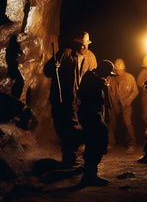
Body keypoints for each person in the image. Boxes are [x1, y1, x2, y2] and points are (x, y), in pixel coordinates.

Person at [43, 31, 97, 167]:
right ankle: (69, 157)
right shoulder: (65, 53)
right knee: (66, 127)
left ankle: (75, 155)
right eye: (81, 45)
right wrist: (54, 66)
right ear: (76, 44)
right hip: (65, 98)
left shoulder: (90, 57)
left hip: (81, 99)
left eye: (86, 45)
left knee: (81, 127)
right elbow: (47, 71)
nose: (84, 47)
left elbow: (94, 76)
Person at [76, 60, 115, 187]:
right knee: (94, 143)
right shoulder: (91, 78)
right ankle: (90, 176)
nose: (108, 76)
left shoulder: (98, 79)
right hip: (90, 115)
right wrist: (100, 85)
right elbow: (82, 94)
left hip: (95, 115)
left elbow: (106, 103)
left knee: (95, 143)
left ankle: (91, 174)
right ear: (102, 70)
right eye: (108, 73)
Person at [107, 58, 138, 152]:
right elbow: (108, 91)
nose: (117, 71)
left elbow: (135, 91)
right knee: (111, 124)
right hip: (113, 104)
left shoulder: (130, 78)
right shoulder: (111, 78)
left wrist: (129, 100)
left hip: (126, 105)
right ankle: (111, 143)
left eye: (119, 70)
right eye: (116, 70)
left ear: (124, 69)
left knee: (128, 123)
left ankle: (132, 143)